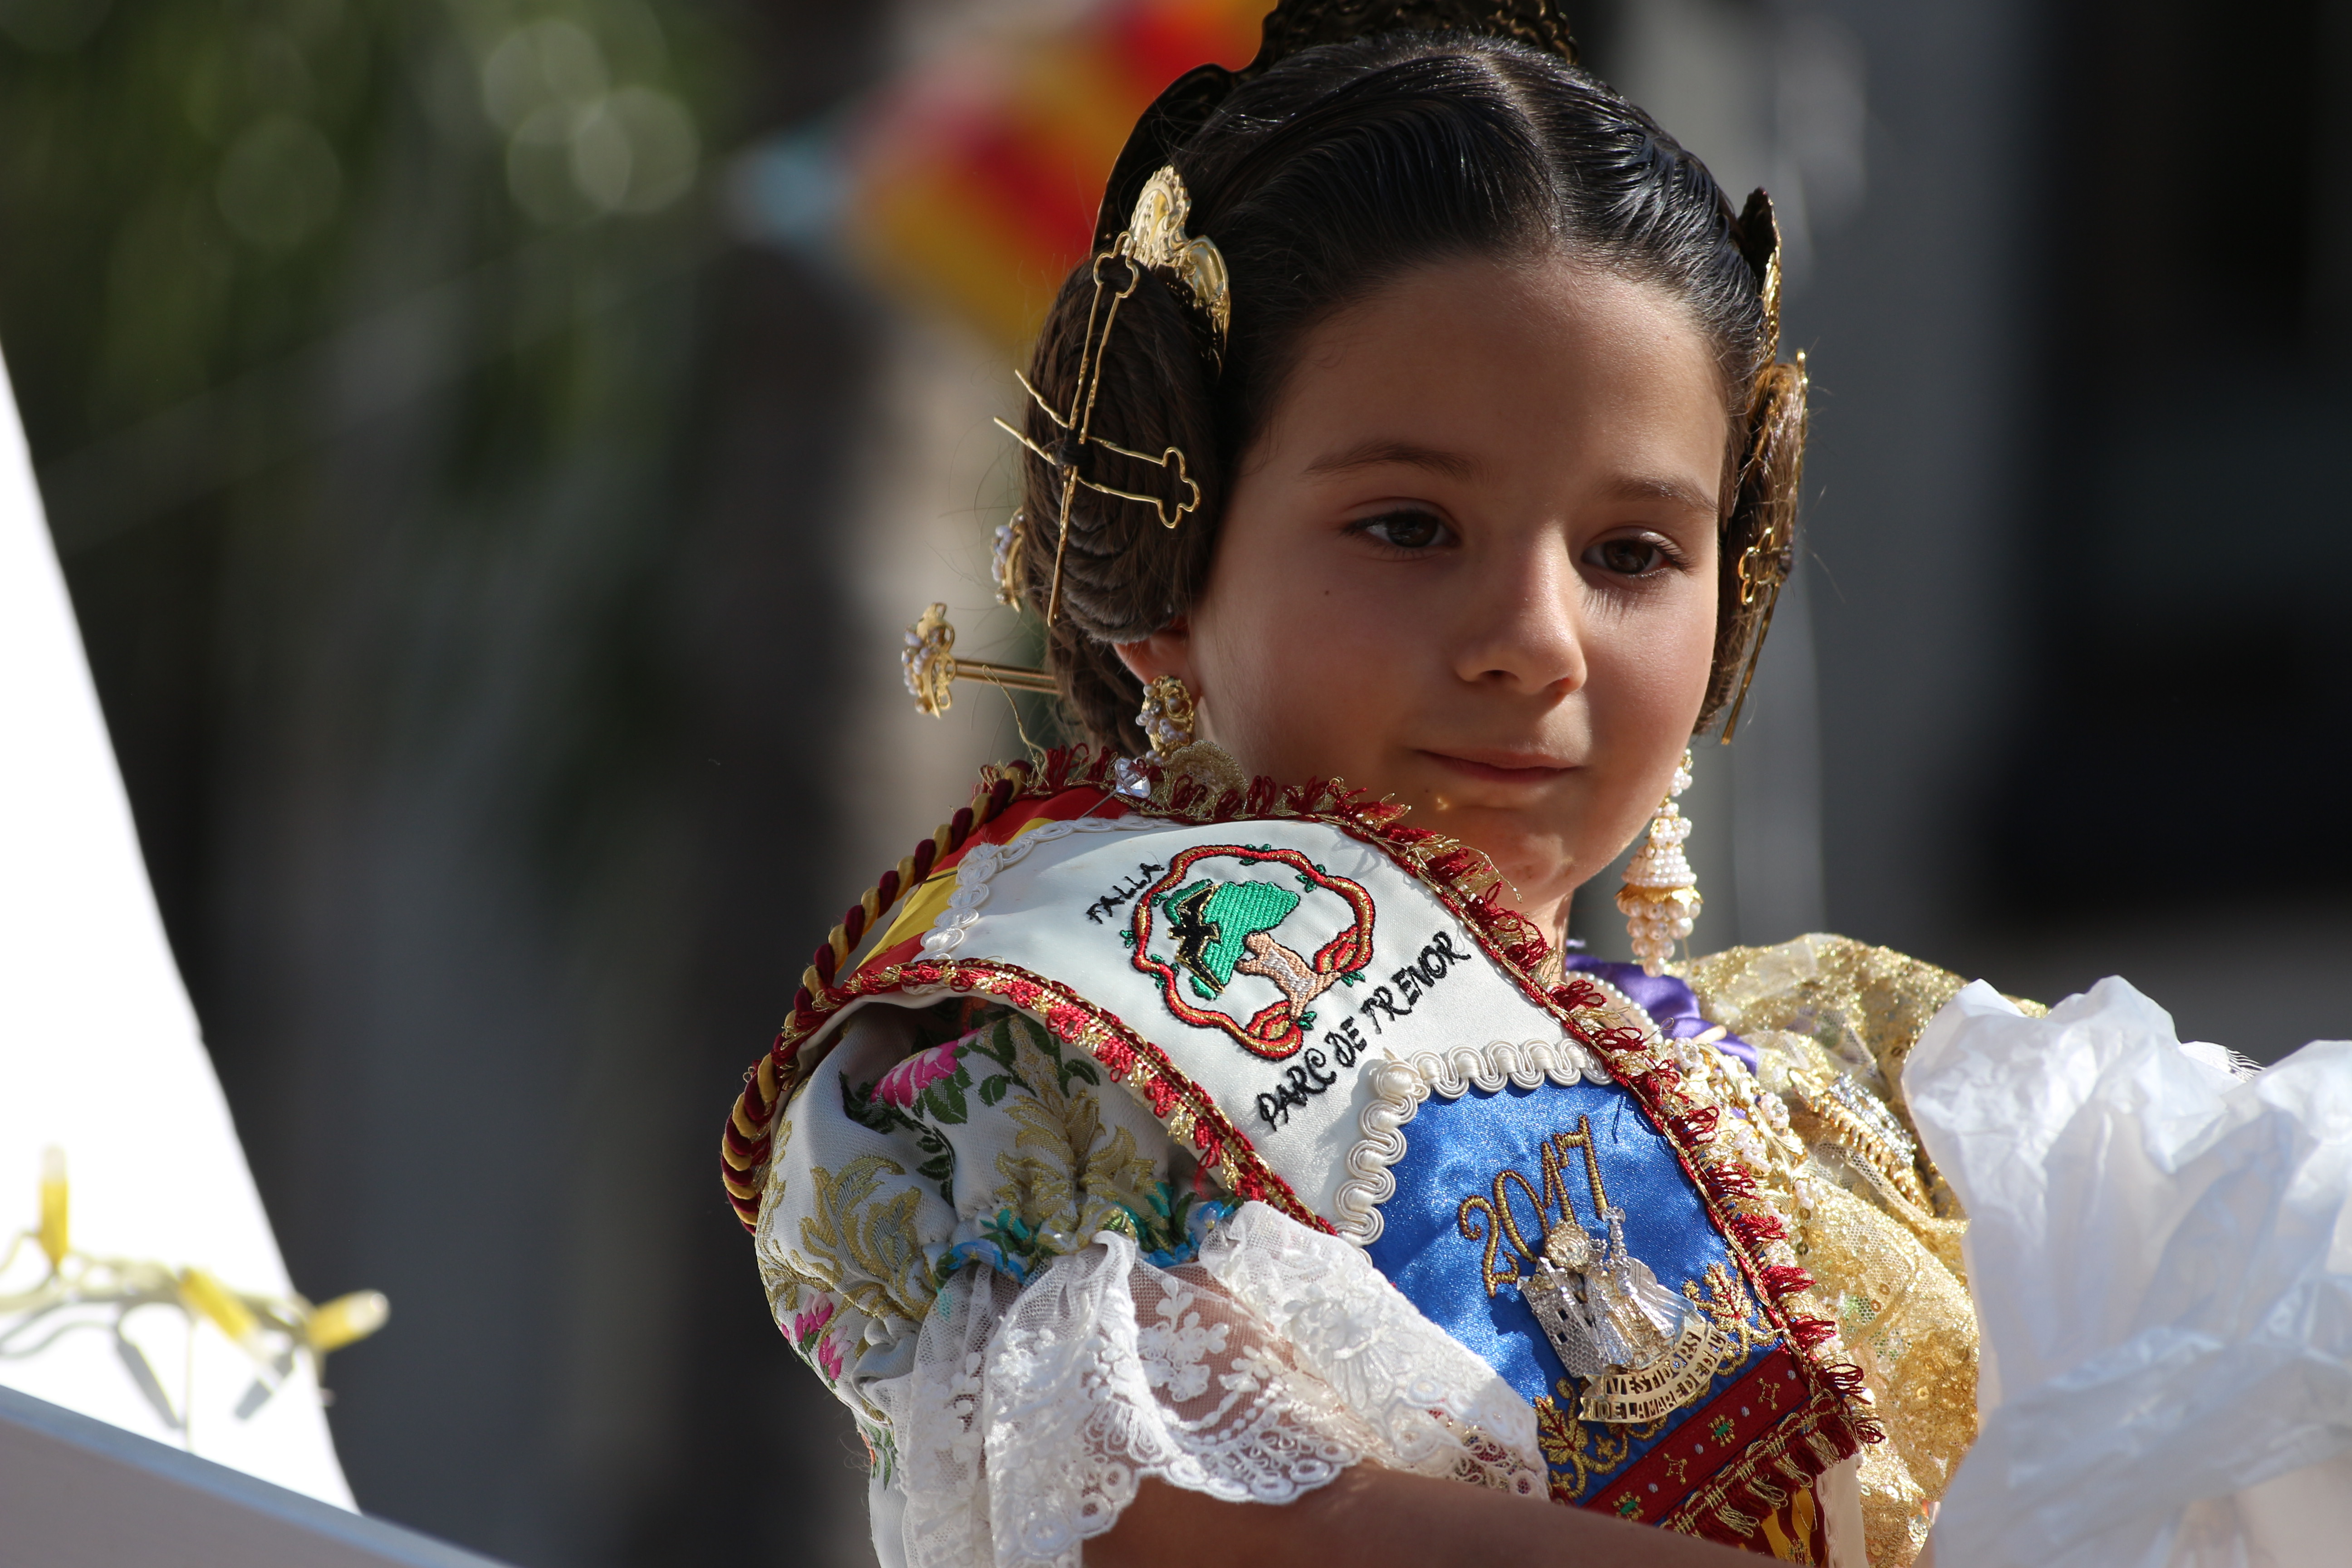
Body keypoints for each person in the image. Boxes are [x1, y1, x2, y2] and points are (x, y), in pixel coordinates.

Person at [720, 8, 2048, 1565]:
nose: (1535, 643)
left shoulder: (1866, 1092)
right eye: (1410, 527)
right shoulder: (1053, 1061)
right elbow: (1221, 1529)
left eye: (1633, 554)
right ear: (1171, 557)